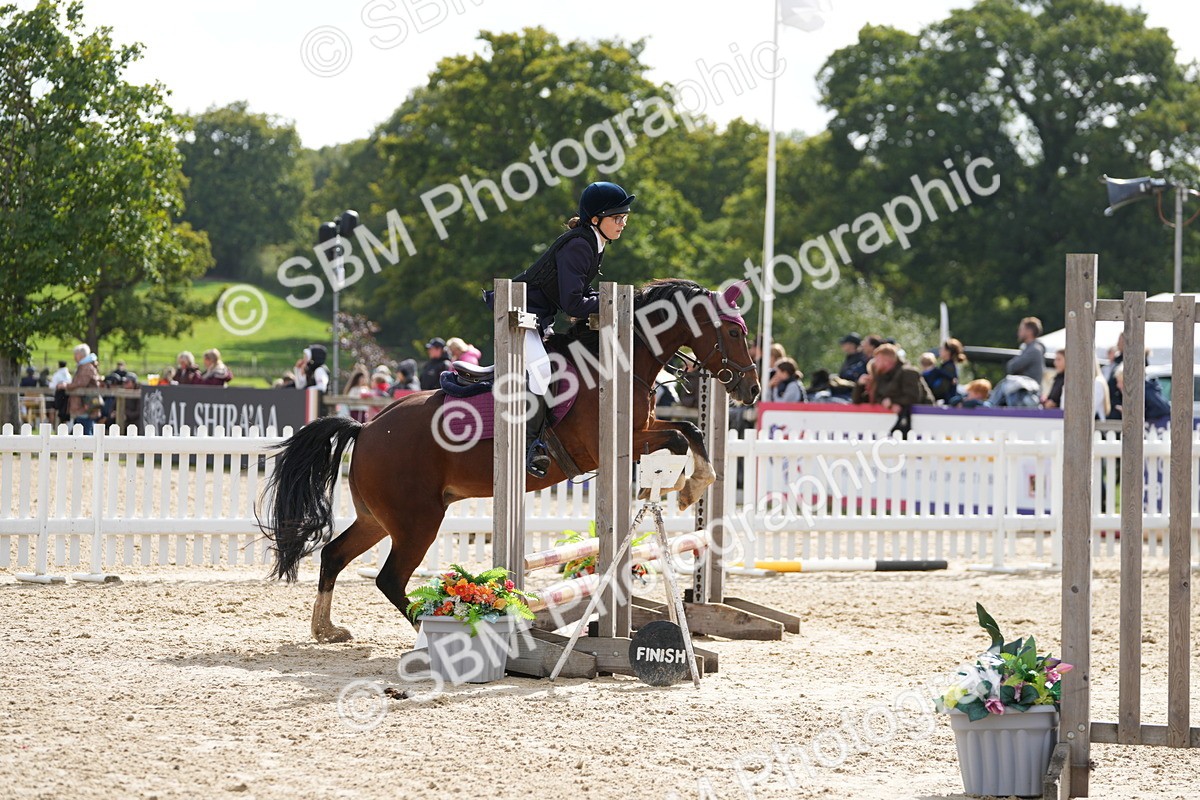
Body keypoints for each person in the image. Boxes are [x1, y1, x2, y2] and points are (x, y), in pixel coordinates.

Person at [497, 180, 635, 476]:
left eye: (625, 217)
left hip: (536, 318)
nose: (623, 223)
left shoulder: (593, 242)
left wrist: (603, 300)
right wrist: (608, 304)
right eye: (617, 217)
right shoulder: (579, 244)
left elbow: (579, 298)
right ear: (596, 219)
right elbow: (573, 304)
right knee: (542, 370)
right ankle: (530, 446)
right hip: (517, 316)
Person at [851, 343, 935, 409]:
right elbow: (864, 400)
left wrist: (893, 401)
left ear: (886, 361)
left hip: (922, 417)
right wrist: (860, 385)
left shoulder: (908, 372)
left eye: (878, 360)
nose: (875, 363)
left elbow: (913, 397)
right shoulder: (881, 376)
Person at [991, 317, 1046, 406]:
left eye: (1021, 329)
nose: (1018, 333)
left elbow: (1011, 367)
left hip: (1026, 395)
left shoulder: (1033, 350)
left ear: (1029, 331)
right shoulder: (1030, 349)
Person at [65, 343, 101, 434]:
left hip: (85, 404)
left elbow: (80, 383)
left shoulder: (86, 367)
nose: (74, 357)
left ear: (80, 355)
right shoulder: (86, 366)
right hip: (84, 404)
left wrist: (66, 386)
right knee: (81, 429)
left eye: (75, 354)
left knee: (84, 430)